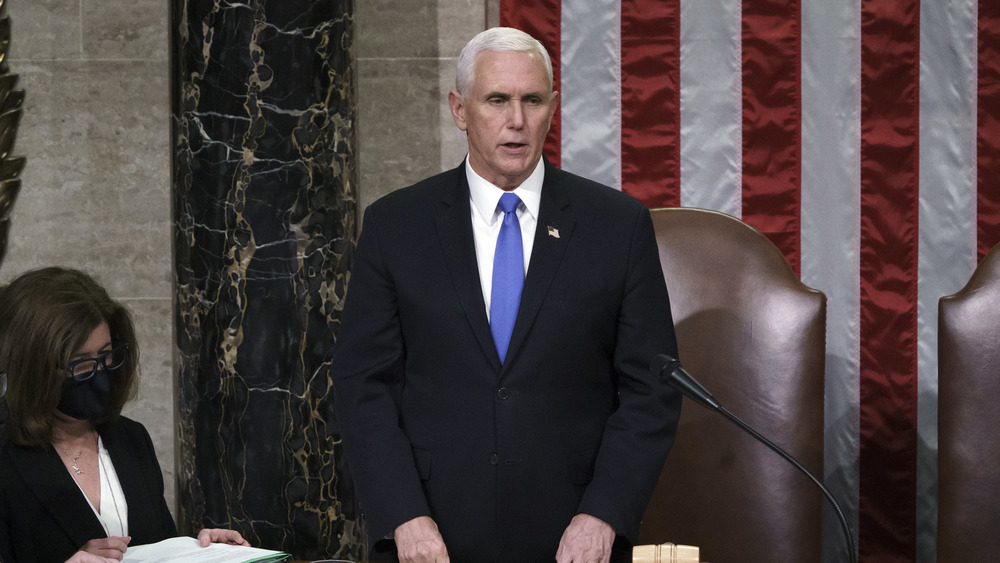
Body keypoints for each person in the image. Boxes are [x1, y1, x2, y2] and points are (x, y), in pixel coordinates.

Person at [332, 27, 682, 563]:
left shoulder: (616, 226)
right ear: (459, 109)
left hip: (574, 540)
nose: (516, 120)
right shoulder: (395, 227)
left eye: (532, 100)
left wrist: (605, 513)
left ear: (552, 107)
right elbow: (363, 386)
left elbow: (651, 390)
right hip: (430, 539)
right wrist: (401, 514)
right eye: (497, 100)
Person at [0, 267, 249, 562]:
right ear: (32, 366)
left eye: (105, 355)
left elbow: (158, 548)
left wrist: (204, 551)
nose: (100, 376)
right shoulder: (6, 455)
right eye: (80, 364)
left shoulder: (131, 438)